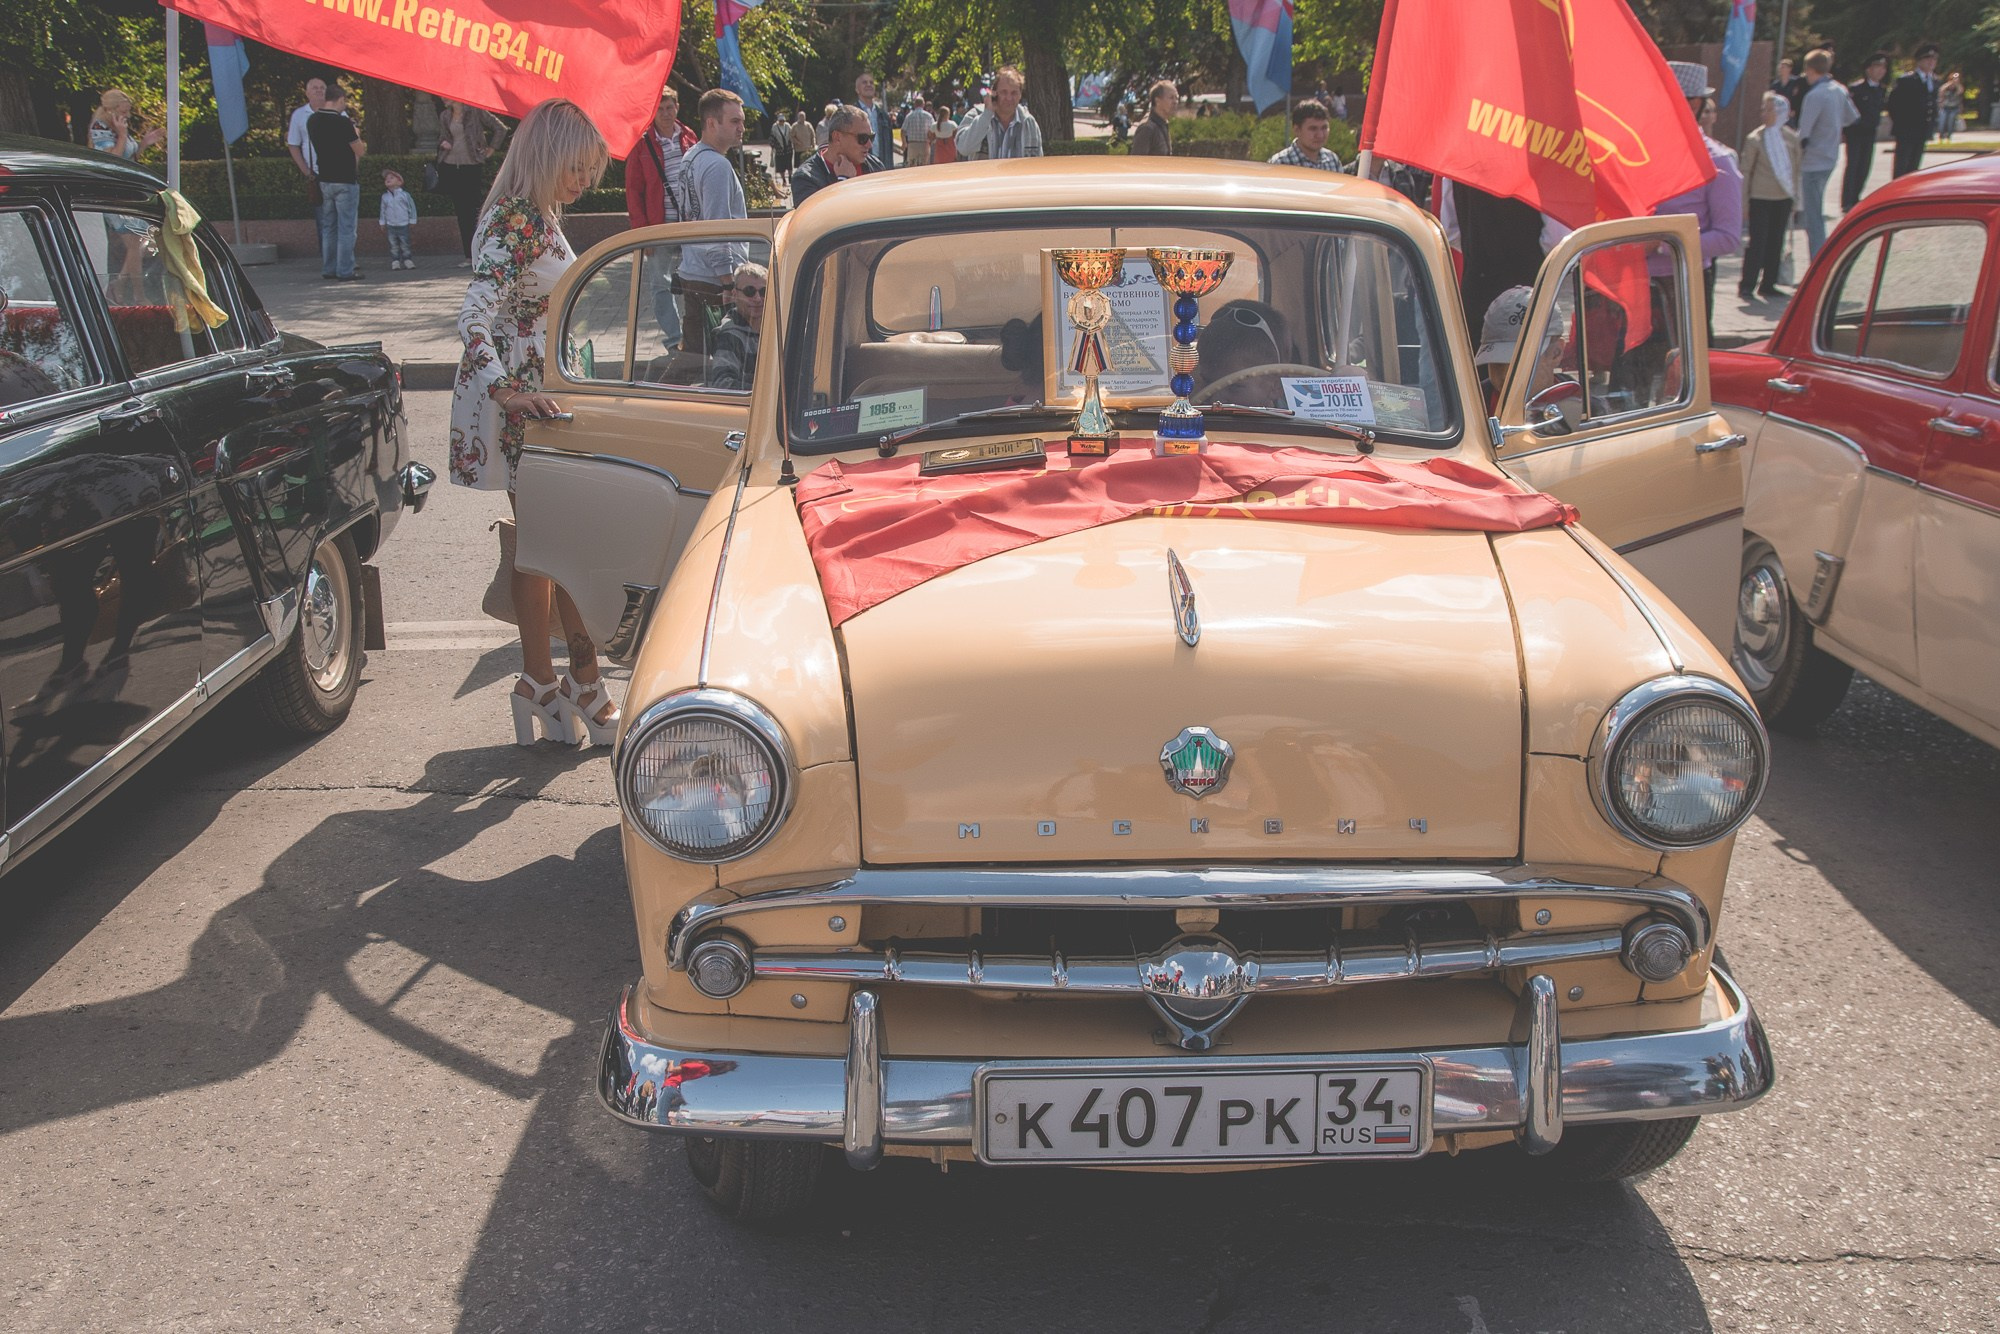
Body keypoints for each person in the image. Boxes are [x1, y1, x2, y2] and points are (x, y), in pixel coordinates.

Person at [447, 98, 619, 748]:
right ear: (546, 157)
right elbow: (472, 319)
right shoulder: (517, 220)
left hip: (544, 399)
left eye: (589, 171)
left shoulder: (534, 216)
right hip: (532, 409)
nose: (582, 181)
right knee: (560, 546)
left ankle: (546, 683)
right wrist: (510, 392)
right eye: (575, 167)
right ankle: (575, 683)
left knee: (544, 547)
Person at [1654, 63, 1743, 338]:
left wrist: (1660, 244)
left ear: (1693, 104)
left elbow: (1728, 237)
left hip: (1681, 287)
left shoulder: (1716, 161)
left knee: (1679, 376)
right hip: (1637, 289)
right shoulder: (1644, 153)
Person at [675, 89, 749, 357]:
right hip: (714, 282)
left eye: (741, 120)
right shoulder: (716, 165)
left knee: (695, 357)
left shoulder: (691, 157)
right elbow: (718, 227)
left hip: (694, 272)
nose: (742, 127)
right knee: (716, 362)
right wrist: (729, 283)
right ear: (711, 123)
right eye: (734, 121)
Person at [87, 90, 164, 301]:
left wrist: (144, 144)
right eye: (124, 111)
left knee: (139, 241)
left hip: (125, 192)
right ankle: (137, 295)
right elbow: (113, 160)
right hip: (111, 195)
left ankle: (119, 285)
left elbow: (130, 158)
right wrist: (122, 135)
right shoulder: (100, 129)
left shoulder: (119, 125)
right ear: (111, 109)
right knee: (134, 243)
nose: (127, 115)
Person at [1739, 92, 1801, 301]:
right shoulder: (1756, 139)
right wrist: (1744, 203)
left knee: (1777, 241)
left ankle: (1769, 283)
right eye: (1763, 109)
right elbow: (1746, 171)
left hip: (1783, 197)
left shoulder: (1790, 138)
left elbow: (1796, 170)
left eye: (1769, 109)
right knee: (1758, 242)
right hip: (1760, 197)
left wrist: (1795, 199)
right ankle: (1747, 284)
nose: (1764, 114)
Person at [1794, 50, 1856, 259]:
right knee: (1815, 210)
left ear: (1810, 70)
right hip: (1830, 156)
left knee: (1813, 216)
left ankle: (1817, 260)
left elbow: (1804, 132)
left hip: (1813, 160)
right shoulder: (1839, 90)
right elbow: (1851, 117)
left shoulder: (1815, 95)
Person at [437, 99, 509, 265]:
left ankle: (482, 252)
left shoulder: (475, 111)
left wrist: (491, 149)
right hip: (451, 165)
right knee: (462, 213)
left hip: (472, 165)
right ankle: (469, 256)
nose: (443, 98)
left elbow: (500, 128)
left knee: (475, 210)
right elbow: (442, 137)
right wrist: (443, 143)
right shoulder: (445, 115)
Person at [308, 84, 367, 282]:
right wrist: (356, 133)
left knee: (329, 226)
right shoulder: (342, 123)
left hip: (324, 178)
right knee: (347, 227)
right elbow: (359, 151)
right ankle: (345, 270)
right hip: (345, 179)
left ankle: (329, 267)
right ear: (340, 99)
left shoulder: (313, 120)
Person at [624, 86, 697, 229]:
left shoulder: (689, 136)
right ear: (653, 112)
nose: (665, 114)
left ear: (677, 107)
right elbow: (633, 190)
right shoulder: (642, 144)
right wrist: (641, 230)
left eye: (669, 108)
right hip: (659, 227)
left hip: (690, 223)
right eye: (660, 109)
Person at [791, 104, 885, 205]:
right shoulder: (806, 178)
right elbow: (819, 219)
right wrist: (844, 182)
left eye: (871, 137)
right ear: (837, 137)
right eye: (863, 138)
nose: (869, 145)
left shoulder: (875, 166)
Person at [957, 67, 1043, 160]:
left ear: (1020, 95)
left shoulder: (1029, 123)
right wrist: (986, 115)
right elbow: (963, 148)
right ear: (994, 93)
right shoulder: (975, 115)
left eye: (1014, 93)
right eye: (1004, 92)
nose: (1009, 98)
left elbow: (1036, 163)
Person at [1842, 52, 1891, 210]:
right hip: (1856, 132)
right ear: (1868, 69)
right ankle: (1847, 200)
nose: (1881, 71)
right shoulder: (1857, 88)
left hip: (1870, 132)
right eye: (1877, 67)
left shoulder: (1881, 90)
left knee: (1865, 166)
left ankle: (1856, 196)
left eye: (1883, 67)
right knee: (1853, 165)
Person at [709, 260, 766, 390]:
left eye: (763, 291)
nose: (757, 299)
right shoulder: (729, 336)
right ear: (735, 295)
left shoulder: (776, 326)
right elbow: (722, 384)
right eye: (749, 291)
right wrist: (766, 393)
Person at [1887, 43, 1941, 178]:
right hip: (1907, 130)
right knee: (1902, 167)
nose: (1931, 62)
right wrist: (1902, 123)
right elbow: (1893, 105)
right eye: (1927, 59)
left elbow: (1932, 104)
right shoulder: (1907, 80)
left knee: (1914, 168)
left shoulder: (1934, 81)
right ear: (1919, 61)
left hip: (1922, 130)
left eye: (1934, 59)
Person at [1268, 99, 1342, 170]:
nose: (1320, 135)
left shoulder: (1332, 161)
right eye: (1313, 129)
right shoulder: (1280, 164)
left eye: (1324, 128)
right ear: (1297, 130)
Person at [285, 77, 327, 185]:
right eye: (315, 88)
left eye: (322, 88)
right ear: (307, 93)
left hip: (339, 173)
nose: (319, 90)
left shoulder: (339, 112)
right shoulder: (299, 115)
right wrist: (307, 172)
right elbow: (293, 144)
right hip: (314, 174)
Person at [378, 169, 418, 270]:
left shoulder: (404, 195)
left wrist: (412, 220)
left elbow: (411, 207)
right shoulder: (385, 197)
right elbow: (382, 210)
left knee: (405, 243)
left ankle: (407, 259)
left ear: (399, 181)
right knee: (393, 245)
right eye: (386, 179)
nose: (388, 180)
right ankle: (395, 261)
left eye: (391, 178)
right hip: (391, 225)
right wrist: (382, 222)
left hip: (403, 224)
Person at [854, 74, 897, 166]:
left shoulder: (883, 116)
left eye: (871, 83)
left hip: (883, 166)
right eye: (864, 82)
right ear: (857, 90)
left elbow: (889, 147)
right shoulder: (852, 115)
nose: (869, 85)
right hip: (861, 166)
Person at [1130, 80, 1178, 156]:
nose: (1175, 102)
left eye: (1176, 98)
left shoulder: (1163, 124)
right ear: (1157, 101)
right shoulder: (1147, 128)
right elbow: (1136, 163)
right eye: (1171, 98)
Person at [1770, 57, 1806, 127]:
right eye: (1780, 67)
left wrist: (1794, 110)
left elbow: (1799, 97)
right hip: (1779, 115)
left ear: (1789, 69)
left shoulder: (1796, 82)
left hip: (1791, 115)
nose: (1780, 69)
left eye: (1783, 67)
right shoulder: (1775, 85)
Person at [901, 99, 936, 167]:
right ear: (923, 104)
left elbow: (903, 130)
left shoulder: (909, 116)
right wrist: (932, 140)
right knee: (924, 165)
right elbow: (933, 129)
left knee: (912, 165)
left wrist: (904, 142)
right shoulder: (929, 116)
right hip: (925, 144)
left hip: (912, 144)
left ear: (915, 105)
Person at [1938, 70, 1964, 139]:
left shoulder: (1957, 88)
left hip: (1954, 108)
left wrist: (1957, 83)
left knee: (1951, 122)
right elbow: (1941, 90)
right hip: (1945, 107)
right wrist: (1950, 83)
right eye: (1953, 78)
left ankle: (1949, 136)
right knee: (1942, 122)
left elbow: (1960, 91)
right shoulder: (1946, 87)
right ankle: (1941, 135)